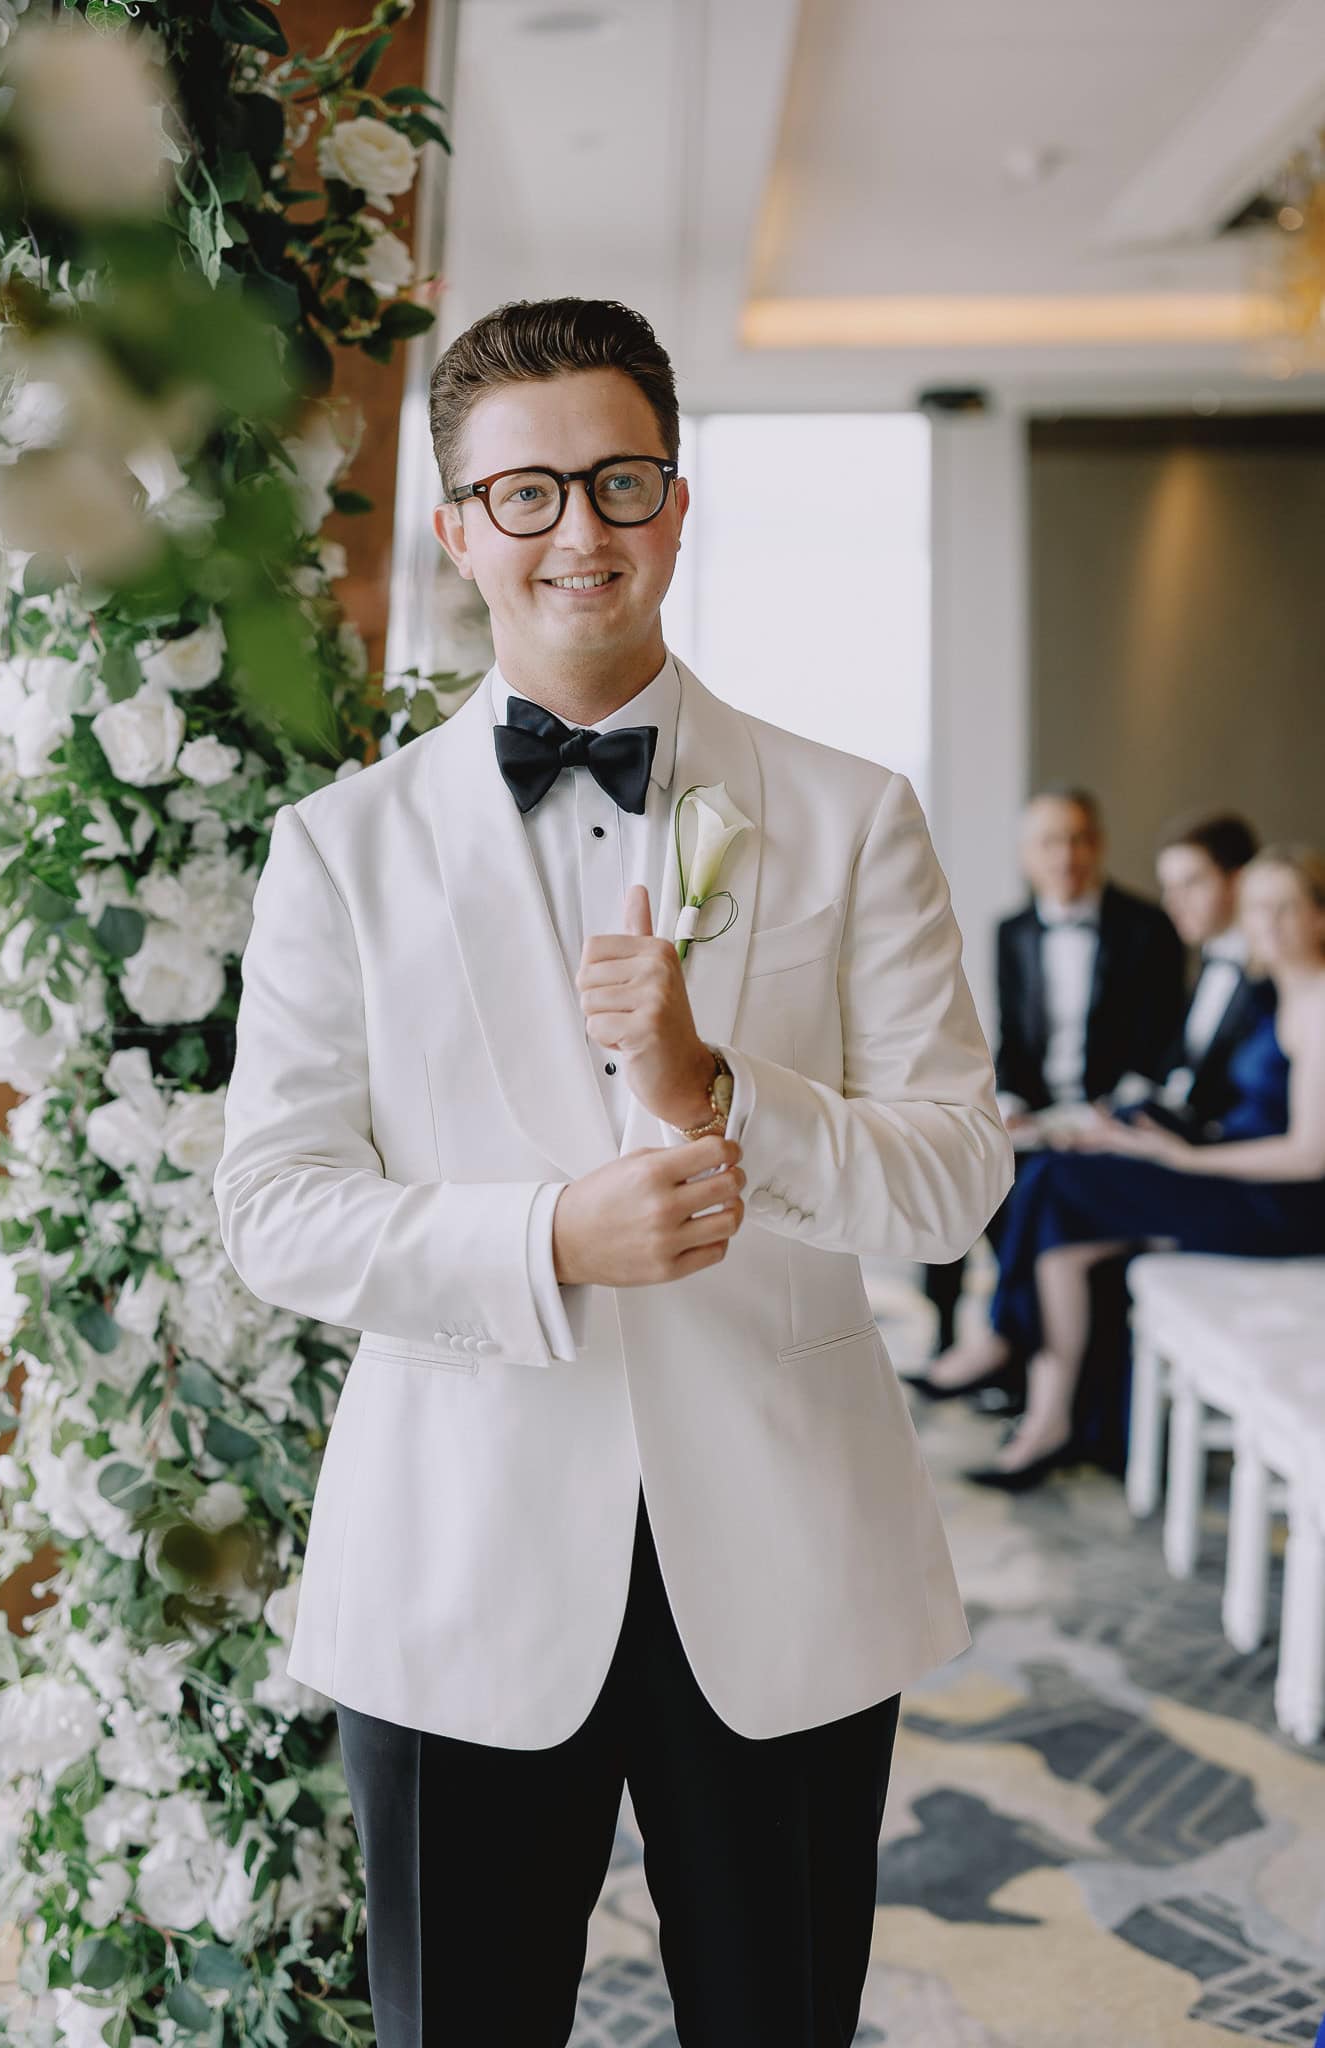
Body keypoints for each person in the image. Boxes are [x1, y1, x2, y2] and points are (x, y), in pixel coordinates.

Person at [213, 296, 1013, 2047]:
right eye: (528, 492)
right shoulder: (339, 852)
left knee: (779, 2018)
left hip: (791, 1549)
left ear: (677, 496)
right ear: (456, 530)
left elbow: (956, 1179)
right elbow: (274, 1204)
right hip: (458, 1556)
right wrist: (548, 1235)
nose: (581, 529)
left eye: (621, 479)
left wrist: (715, 1086)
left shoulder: (850, 810)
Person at [928, 845, 1325, 1490]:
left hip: (1283, 1205)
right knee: (1060, 1223)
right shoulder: (1280, 990)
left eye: (1286, 908)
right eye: (1257, 909)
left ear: (1319, 917)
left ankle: (1006, 1349)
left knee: (1059, 1181)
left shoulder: (1318, 1003)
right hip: (1233, 1169)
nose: (1268, 924)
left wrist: (1189, 1157)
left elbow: (1311, 1154)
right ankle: (1050, 1413)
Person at [919, 787, 1185, 1355]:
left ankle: (1010, 1347)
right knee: (954, 1163)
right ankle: (949, 1336)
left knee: (1027, 1190)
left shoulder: (1148, 927)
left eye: (1079, 839)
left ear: (1100, 845)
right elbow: (1015, 1039)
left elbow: (1159, 1045)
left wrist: (1104, 1113)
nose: (1066, 856)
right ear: (1026, 855)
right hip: (1039, 1111)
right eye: (1050, 842)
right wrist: (1010, 1103)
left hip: (1111, 1112)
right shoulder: (1011, 932)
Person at [1123, 810, 1270, 1136]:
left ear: (1238, 881)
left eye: (1191, 883)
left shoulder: (1270, 977)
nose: (1173, 902)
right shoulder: (1206, 959)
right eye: (1168, 887)